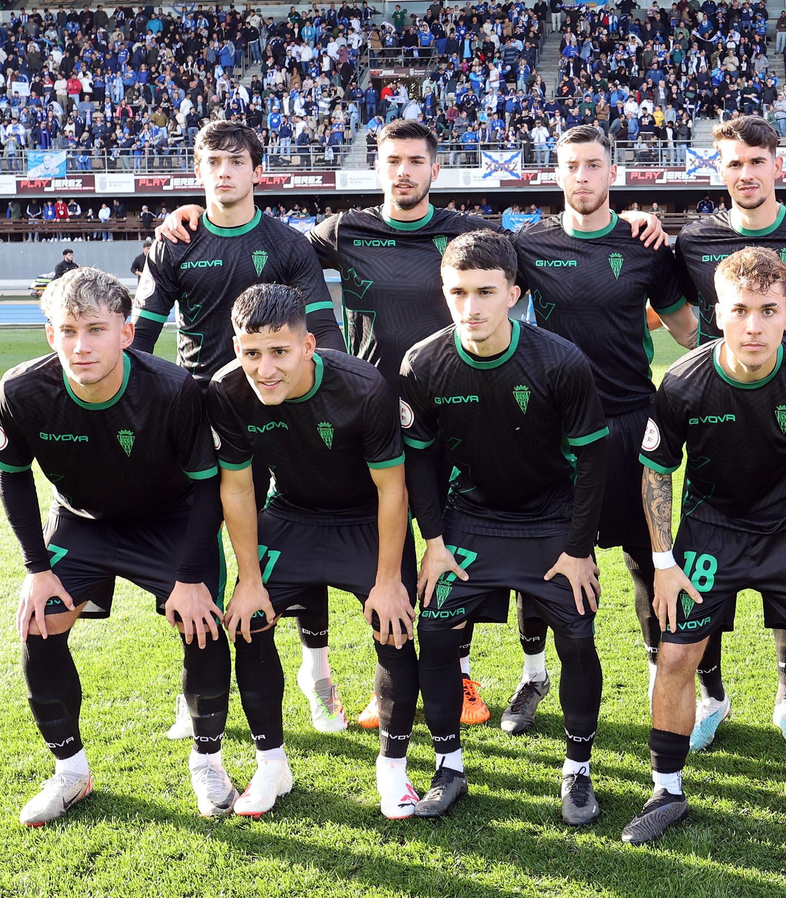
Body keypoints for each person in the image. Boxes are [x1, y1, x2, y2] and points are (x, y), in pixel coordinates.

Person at [157, 121, 661, 726]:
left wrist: (632, 221)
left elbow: (565, 255)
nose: (404, 171)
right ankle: (350, 670)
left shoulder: (469, 234)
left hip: (456, 409)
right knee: (351, 531)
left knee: (460, 535)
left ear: (435, 169)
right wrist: (199, 209)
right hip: (365, 413)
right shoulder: (343, 231)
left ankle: (472, 675)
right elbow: (264, 242)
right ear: (378, 168)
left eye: (416, 160)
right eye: (393, 160)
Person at [623, 247, 786, 846]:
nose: (752, 325)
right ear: (716, 313)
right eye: (739, 311)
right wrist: (663, 562)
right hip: (713, 529)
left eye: (767, 310)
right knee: (676, 657)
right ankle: (667, 790)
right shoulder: (683, 382)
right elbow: (656, 472)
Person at [133, 120, 351, 738]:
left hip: (281, 410)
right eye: (211, 161)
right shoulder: (175, 241)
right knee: (200, 542)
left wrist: (335, 397)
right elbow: (142, 339)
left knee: (298, 531)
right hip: (200, 411)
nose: (223, 171)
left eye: (235, 160)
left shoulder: (286, 245)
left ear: (258, 170)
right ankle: (198, 683)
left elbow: (323, 332)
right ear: (197, 171)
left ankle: (317, 671)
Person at [0, 268, 232, 825]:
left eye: (96, 329)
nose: (81, 345)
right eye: (68, 330)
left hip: (170, 522)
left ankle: (208, 761)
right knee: (39, 622)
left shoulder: (172, 389)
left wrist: (193, 576)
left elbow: (206, 487)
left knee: (202, 625)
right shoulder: (21, 390)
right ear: (50, 335)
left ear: (125, 331)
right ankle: (71, 773)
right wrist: (37, 568)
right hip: (83, 522)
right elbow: (12, 475)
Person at [400, 230, 610, 824]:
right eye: (458, 292)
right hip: (470, 520)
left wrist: (577, 551)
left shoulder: (559, 361)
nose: (471, 308)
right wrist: (434, 543)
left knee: (577, 635)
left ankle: (578, 772)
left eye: (485, 292)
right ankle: (449, 768)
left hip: (549, 520)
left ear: (513, 294)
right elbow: (419, 457)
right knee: (437, 635)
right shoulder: (423, 362)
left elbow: (593, 460)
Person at [504, 125, 698, 736]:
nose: (582, 176)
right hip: (553, 429)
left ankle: (656, 673)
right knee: (543, 559)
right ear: (555, 174)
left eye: (593, 165)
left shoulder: (645, 245)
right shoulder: (527, 246)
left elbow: (688, 330)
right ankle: (534, 673)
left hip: (633, 421)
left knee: (651, 557)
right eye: (571, 166)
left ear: (611, 173)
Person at [206, 284, 422, 819]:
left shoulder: (364, 387)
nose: (265, 368)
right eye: (252, 353)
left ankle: (393, 770)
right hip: (293, 515)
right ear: (236, 348)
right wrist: (248, 578)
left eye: (279, 351)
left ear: (308, 345)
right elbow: (236, 488)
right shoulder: (227, 391)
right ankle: (271, 764)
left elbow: (393, 489)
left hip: (364, 519)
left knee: (393, 626)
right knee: (250, 621)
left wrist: (390, 579)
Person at [671, 114, 786, 747]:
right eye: (732, 163)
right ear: (718, 170)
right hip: (723, 408)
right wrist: (702, 363)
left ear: (779, 164)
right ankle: (712, 699)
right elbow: (676, 314)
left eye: (755, 161)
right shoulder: (692, 239)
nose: (744, 174)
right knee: (705, 565)